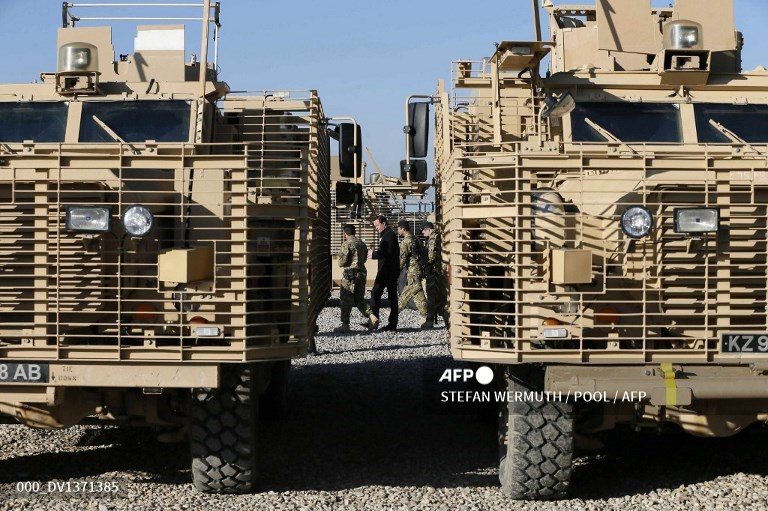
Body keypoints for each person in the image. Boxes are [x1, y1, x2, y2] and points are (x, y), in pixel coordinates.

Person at [334, 224, 378, 333]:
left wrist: (341, 261)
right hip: (362, 274)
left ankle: (345, 324)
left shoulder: (346, 244)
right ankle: (372, 316)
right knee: (359, 299)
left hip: (350, 275)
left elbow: (342, 262)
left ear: (345, 234)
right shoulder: (362, 244)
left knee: (345, 299)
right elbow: (364, 260)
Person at [368, 215, 399, 331]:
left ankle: (373, 320)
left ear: (384, 224)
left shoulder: (388, 235)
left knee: (375, 293)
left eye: (377, 225)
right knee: (392, 297)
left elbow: (386, 251)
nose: (376, 228)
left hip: (387, 270)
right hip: (390, 270)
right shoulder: (388, 234)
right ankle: (392, 324)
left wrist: (374, 254)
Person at [396, 219, 429, 328]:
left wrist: (396, 271)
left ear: (403, 229)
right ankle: (395, 312)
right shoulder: (416, 239)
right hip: (419, 268)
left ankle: (425, 316)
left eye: (399, 228)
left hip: (412, 270)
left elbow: (402, 259)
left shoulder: (405, 242)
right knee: (408, 291)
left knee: (417, 291)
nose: (398, 231)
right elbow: (423, 252)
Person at [422, 221, 448, 327]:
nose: (423, 233)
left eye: (423, 231)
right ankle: (447, 319)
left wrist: (424, 265)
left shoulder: (432, 239)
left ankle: (429, 320)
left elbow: (430, 257)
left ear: (428, 230)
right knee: (440, 296)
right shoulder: (438, 237)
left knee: (432, 297)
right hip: (438, 272)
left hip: (433, 273)